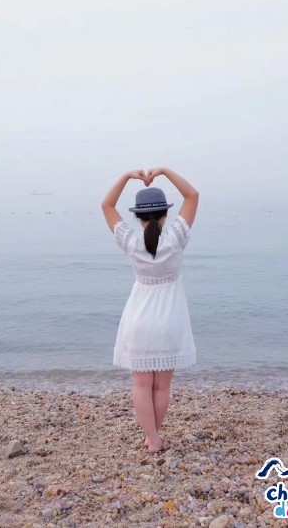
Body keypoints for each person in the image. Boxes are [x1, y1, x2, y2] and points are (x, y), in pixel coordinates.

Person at [101, 167, 199, 453]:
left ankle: (152, 438)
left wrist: (126, 177)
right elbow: (192, 195)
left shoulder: (132, 242)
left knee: (141, 385)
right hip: (170, 320)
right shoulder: (176, 238)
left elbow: (107, 205)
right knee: (162, 387)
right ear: (165, 214)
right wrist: (165, 172)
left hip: (139, 319)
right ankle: (154, 436)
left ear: (138, 217)